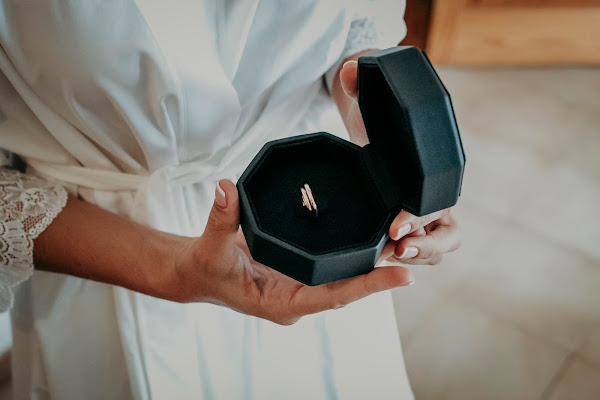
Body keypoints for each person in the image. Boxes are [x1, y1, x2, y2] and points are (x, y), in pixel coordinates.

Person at [0, 1, 460, 398]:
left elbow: (354, 23)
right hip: (104, 249)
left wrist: (384, 121)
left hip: (325, 221)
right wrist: (172, 269)